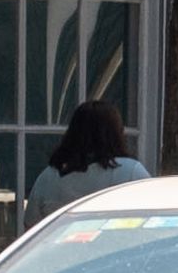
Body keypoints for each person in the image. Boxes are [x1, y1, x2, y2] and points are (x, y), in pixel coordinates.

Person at [23, 98, 154, 229]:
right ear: (117, 133)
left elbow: (31, 226)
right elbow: (155, 217)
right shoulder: (131, 172)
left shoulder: (49, 177)